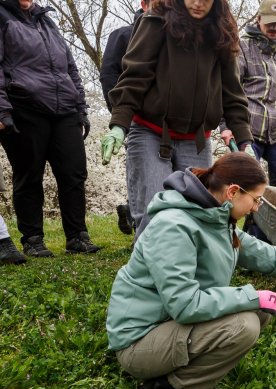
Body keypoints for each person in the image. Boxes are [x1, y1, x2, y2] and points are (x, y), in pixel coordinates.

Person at [106, 152, 276, 389]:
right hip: (140, 341)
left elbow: (268, 255)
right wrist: (252, 295)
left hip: (168, 323)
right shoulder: (173, 227)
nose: (257, 207)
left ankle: (193, 374)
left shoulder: (215, 219)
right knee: (244, 325)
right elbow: (185, 305)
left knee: (259, 314)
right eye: (256, 199)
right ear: (234, 192)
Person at [102, 0, 254, 241]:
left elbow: (232, 92)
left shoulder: (222, 31)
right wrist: (120, 124)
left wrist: (245, 141)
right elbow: (135, 74)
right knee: (155, 211)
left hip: (195, 140)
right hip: (150, 132)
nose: (197, 3)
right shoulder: (156, 20)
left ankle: (186, 272)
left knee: (198, 212)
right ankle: (146, 274)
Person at [0, 0, 100, 257]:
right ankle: (33, 239)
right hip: (24, 106)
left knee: (74, 172)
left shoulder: (47, 20)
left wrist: (80, 106)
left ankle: (77, 236)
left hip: (64, 108)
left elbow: (70, 67)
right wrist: (2, 110)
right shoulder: (3, 17)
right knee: (29, 174)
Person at [220, 0, 276, 191]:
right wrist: (225, 125)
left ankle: (273, 221)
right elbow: (228, 89)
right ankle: (243, 219)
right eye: (269, 23)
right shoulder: (242, 49)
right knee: (248, 182)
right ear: (259, 20)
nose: (273, 28)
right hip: (249, 129)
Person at [99, 0, 151, 237]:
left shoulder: (174, 34)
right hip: (133, 116)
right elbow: (109, 74)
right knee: (140, 172)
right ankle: (137, 225)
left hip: (166, 119)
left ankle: (129, 209)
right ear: (144, 4)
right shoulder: (123, 35)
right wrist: (120, 115)